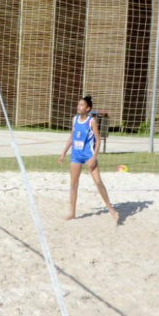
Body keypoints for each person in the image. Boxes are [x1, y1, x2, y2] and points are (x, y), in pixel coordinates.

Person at [58, 95, 119, 224]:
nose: (78, 107)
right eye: (78, 104)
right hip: (76, 155)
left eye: (81, 105)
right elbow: (72, 137)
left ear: (88, 108)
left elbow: (98, 141)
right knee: (73, 184)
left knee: (98, 182)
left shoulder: (91, 121)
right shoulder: (75, 119)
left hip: (88, 155)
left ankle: (111, 209)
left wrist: (93, 157)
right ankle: (72, 213)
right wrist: (63, 152)